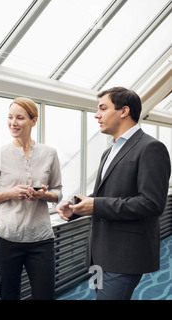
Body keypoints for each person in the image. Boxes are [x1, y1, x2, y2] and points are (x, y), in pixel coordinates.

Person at [56, 87, 171, 300]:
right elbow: (107, 191)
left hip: (124, 254)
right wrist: (75, 207)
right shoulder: (109, 151)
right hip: (98, 251)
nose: (96, 115)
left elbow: (152, 204)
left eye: (103, 108)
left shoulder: (151, 148)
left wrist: (97, 205)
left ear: (124, 111)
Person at [0, 97, 63, 300]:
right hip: (6, 239)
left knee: (45, 296)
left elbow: (58, 191)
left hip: (41, 239)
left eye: (19, 118)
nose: (13, 123)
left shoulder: (50, 153)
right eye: (10, 117)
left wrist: (44, 195)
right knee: (9, 296)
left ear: (34, 121)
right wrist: (10, 193)